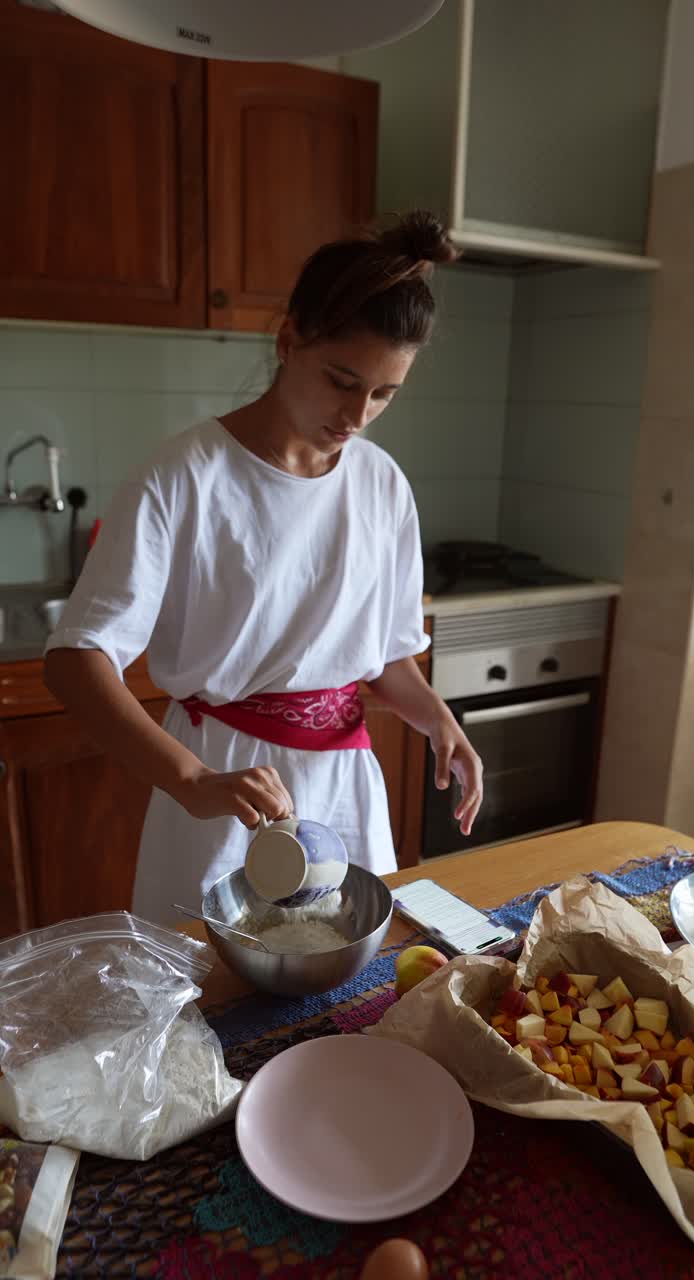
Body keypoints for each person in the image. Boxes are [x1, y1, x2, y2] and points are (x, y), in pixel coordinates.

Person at [44, 210, 484, 924]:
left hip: (345, 783)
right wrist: (190, 781)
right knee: (216, 998)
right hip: (225, 787)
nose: (357, 413)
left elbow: (386, 660)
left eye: (383, 393)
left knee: (348, 981)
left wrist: (438, 720)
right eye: (342, 380)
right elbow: (75, 661)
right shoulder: (184, 477)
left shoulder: (382, 484)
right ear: (288, 341)